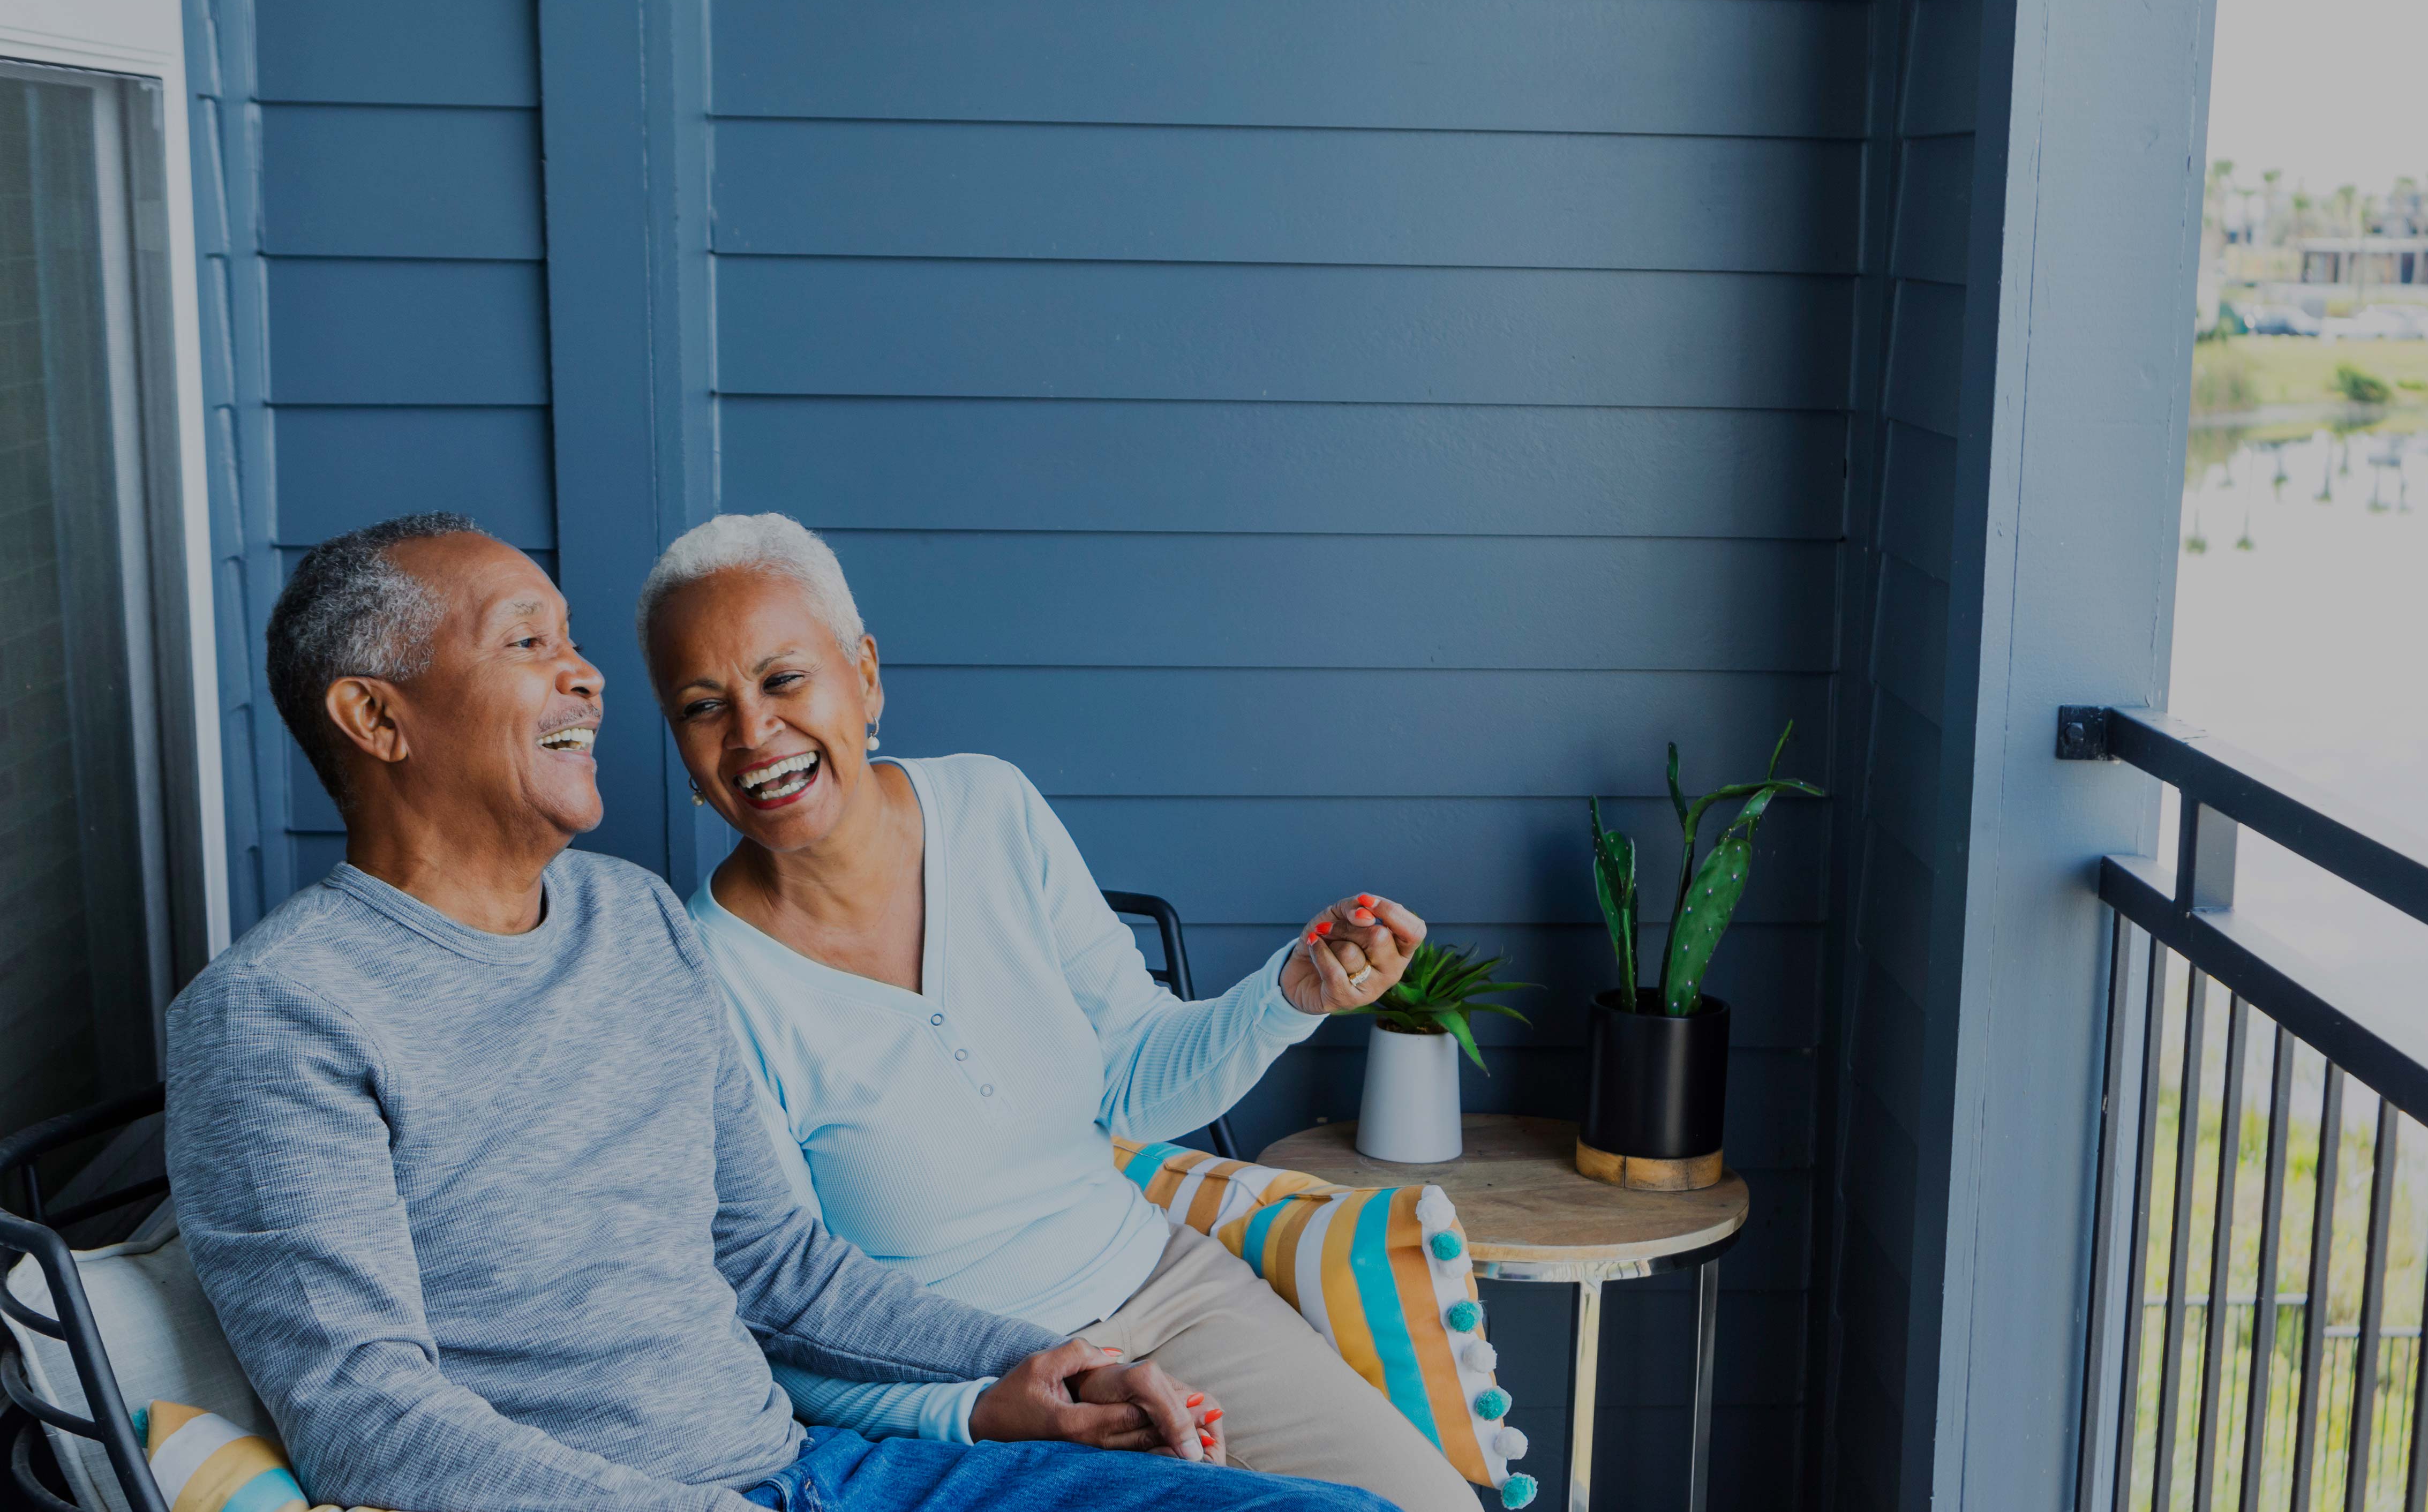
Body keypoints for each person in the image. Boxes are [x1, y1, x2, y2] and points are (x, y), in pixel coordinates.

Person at [163, 512, 1392, 1512]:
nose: (584, 674)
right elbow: (363, 1416)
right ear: (377, 719)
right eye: (526, 642)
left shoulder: (626, 920)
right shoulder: (282, 1015)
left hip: (820, 1473)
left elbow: (777, 1263)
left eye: (573, 641)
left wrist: (1028, 1359)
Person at [634, 514, 1478, 1512]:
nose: (753, 734)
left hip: (1166, 1290)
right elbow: (783, 1321)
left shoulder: (994, 809)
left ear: (863, 673)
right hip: (977, 1399)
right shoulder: (704, 978)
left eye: (783, 679)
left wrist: (1284, 1000)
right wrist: (983, 1409)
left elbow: (1130, 1079)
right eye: (703, 706)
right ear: (682, 752)